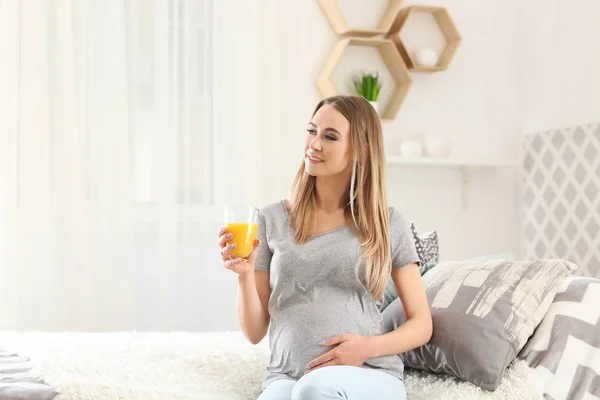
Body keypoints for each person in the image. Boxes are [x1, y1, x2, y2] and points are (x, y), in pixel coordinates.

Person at [217, 95, 432, 400]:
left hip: (368, 373)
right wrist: (244, 274)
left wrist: (366, 348)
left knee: (313, 389)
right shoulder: (271, 219)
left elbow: (421, 324)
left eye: (330, 136)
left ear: (360, 150)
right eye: (311, 131)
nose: (314, 144)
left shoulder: (387, 223)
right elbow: (254, 333)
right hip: (286, 376)